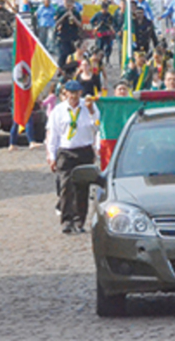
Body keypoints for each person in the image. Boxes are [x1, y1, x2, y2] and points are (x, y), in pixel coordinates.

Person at [45, 81, 99, 234]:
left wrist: (91, 111)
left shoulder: (89, 106)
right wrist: (52, 155)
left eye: (76, 93)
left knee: (83, 189)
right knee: (66, 187)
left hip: (84, 150)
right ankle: (67, 221)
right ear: (66, 93)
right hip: (66, 152)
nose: (73, 96)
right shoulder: (59, 111)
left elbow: (97, 126)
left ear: (80, 93)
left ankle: (79, 221)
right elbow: (53, 135)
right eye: (70, 93)